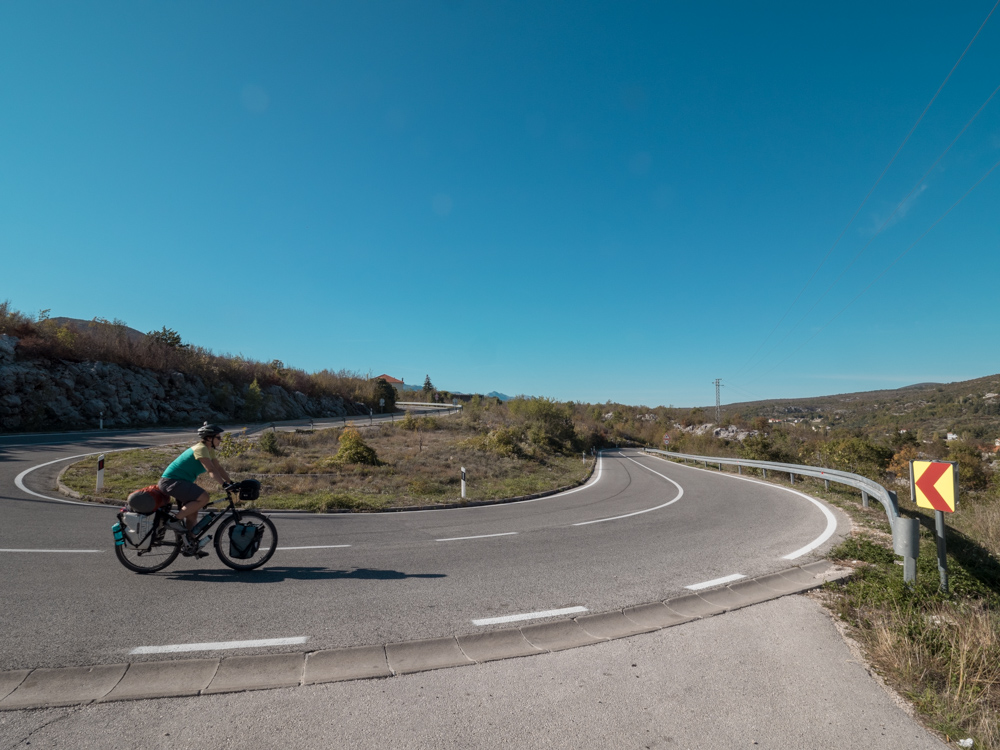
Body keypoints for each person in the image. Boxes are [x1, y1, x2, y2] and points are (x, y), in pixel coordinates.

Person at [159, 422, 235, 556]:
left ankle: (190, 545)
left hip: (180, 482)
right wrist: (223, 485)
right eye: (218, 437)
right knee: (204, 497)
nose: (220, 440)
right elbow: (210, 469)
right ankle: (172, 521)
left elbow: (218, 468)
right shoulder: (200, 448)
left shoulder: (209, 450)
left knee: (192, 514)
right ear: (209, 438)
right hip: (171, 482)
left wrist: (230, 482)